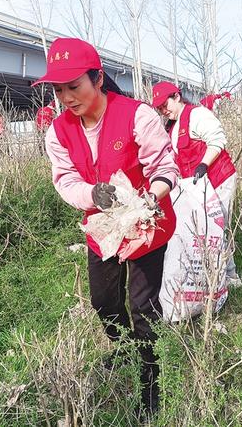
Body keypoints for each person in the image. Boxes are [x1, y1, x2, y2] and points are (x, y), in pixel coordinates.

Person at [37, 37, 179, 416]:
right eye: (58, 90)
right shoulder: (58, 132)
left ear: (98, 79)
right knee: (104, 302)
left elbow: (164, 166)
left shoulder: (136, 115)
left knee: (143, 306)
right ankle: (124, 350)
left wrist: (149, 200)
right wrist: (91, 194)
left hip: (146, 221)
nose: (66, 98)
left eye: (74, 86)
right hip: (103, 227)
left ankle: (151, 377)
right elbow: (65, 179)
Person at [151, 81, 240, 286]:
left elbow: (217, 140)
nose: (164, 110)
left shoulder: (198, 115)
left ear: (176, 96)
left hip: (218, 179)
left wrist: (203, 164)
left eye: (166, 104)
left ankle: (230, 276)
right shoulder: (172, 126)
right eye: (160, 108)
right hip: (197, 186)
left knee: (217, 227)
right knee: (202, 229)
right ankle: (210, 275)